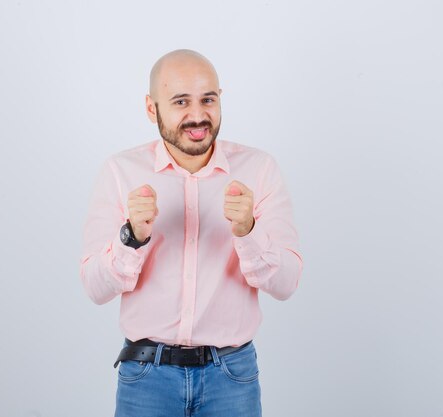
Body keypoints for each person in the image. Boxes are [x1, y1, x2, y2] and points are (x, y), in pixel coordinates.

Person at [80, 49, 303, 417]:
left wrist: (248, 231)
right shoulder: (121, 172)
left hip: (232, 376)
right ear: (152, 109)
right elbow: (94, 286)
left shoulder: (259, 169)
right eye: (181, 101)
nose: (197, 116)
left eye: (208, 100)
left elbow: (288, 283)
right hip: (146, 376)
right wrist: (132, 237)